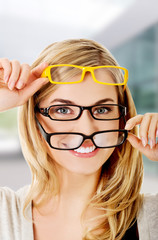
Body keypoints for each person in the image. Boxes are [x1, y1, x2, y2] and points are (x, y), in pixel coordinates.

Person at [0, 39, 157, 240]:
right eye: (63, 110)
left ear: (122, 119)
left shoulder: (153, 218)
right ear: (34, 118)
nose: (86, 130)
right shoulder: (5, 215)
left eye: (102, 110)